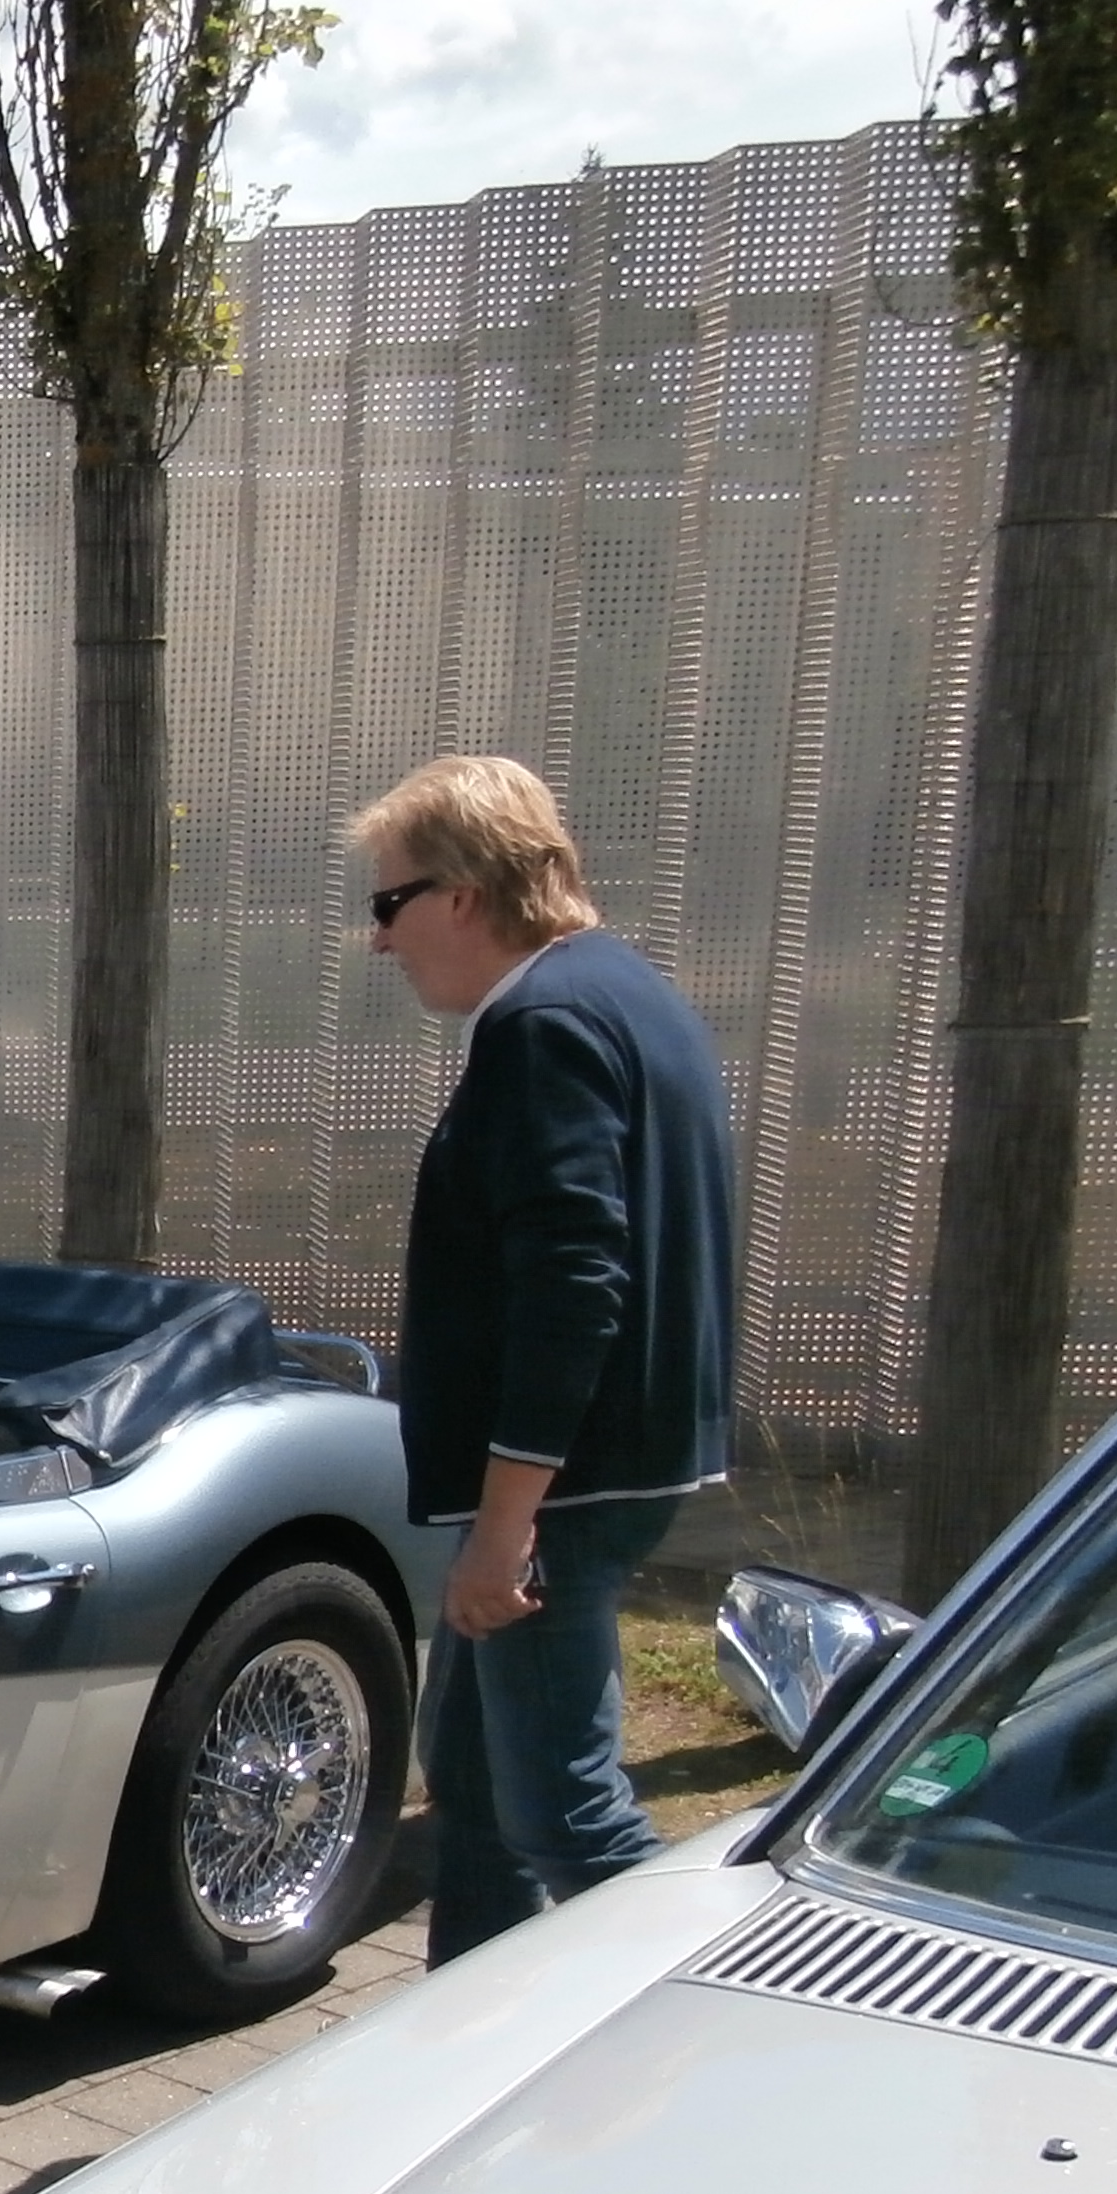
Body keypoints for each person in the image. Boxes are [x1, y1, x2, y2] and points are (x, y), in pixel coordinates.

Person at [354, 753, 736, 1963]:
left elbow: (575, 1282)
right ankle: (466, 2032)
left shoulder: (544, 1025)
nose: (380, 939)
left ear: (463, 893)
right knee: (474, 1775)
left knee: (565, 1814)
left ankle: (714, 2003)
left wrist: (505, 1524)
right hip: (615, 1460)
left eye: (389, 902)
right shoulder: (622, 990)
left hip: (563, 1486)